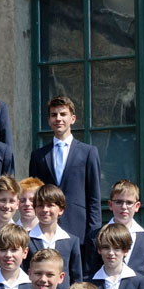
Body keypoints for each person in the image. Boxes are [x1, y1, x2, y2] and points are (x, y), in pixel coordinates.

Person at [28, 95, 101, 251]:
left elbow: (94, 196)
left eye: (63, 114)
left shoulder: (88, 153)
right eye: (54, 115)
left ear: (72, 119)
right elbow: (33, 196)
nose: (58, 118)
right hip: (46, 230)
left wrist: (94, 233)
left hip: (79, 230)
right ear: (49, 120)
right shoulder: (38, 156)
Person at [101, 179, 144, 289]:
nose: (124, 207)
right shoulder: (98, 235)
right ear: (110, 205)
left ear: (137, 206)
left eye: (129, 203)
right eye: (118, 202)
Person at [28, 184, 82, 289]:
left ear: (61, 209)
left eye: (50, 205)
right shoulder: (26, 239)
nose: (45, 210)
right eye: (40, 205)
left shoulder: (71, 241)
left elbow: (76, 278)